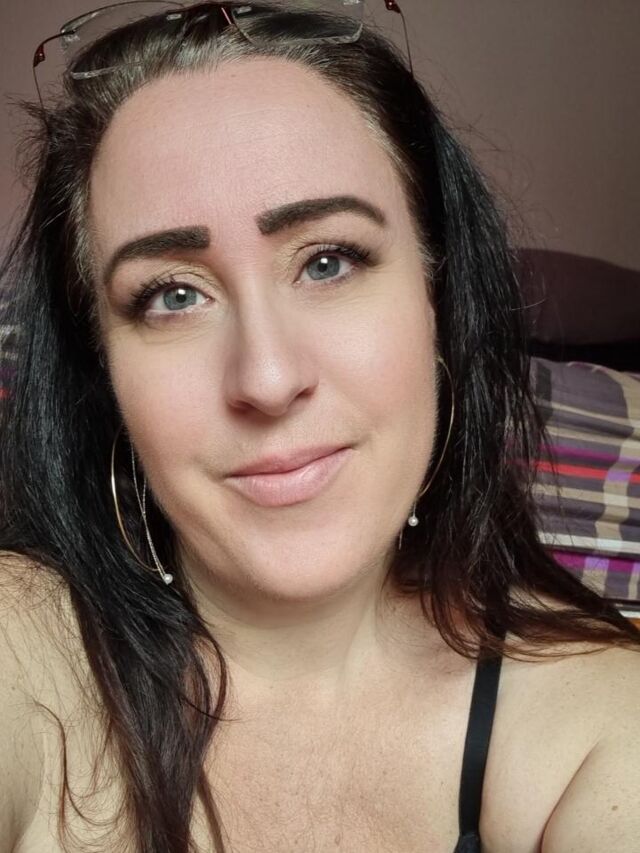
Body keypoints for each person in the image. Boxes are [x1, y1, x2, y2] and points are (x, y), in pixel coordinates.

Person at [1, 2, 638, 851]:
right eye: (173, 294)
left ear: (438, 301)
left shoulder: (599, 725)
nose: (267, 379)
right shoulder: (25, 651)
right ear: (104, 371)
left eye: (329, 261)